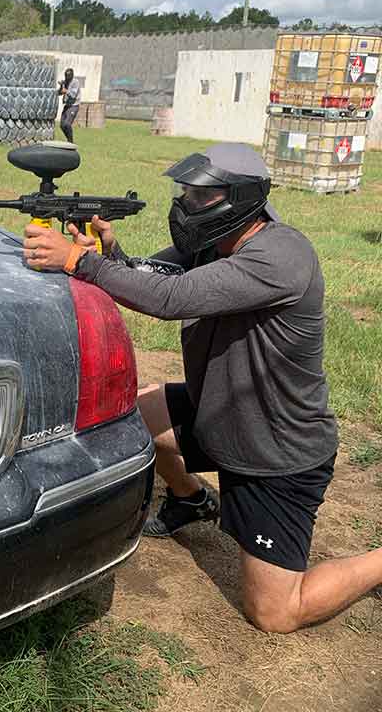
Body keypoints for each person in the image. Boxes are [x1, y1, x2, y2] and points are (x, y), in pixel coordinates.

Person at [22, 142, 382, 633]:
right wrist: (108, 253)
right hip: (221, 411)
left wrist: (79, 263)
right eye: (186, 194)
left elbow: (173, 297)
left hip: (275, 452)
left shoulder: (280, 254)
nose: (187, 205)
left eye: (200, 196)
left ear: (240, 197)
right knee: (132, 416)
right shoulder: (216, 245)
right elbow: (156, 275)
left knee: (276, 613)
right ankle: (191, 499)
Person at [58, 68, 81, 143]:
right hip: (67, 106)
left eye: (68, 76)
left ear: (72, 76)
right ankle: (69, 139)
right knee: (62, 125)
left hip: (74, 106)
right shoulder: (65, 82)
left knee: (67, 124)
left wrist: (65, 90)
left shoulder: (76, 82)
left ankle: (70, 141)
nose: (66, 78)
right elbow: (59, 93)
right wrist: (61, 86)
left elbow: (73, 95)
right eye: (65, 76)